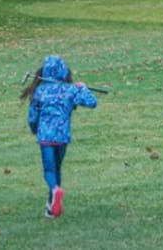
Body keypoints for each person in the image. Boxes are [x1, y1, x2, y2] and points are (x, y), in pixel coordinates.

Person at [20, 54, 98, 218]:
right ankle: (52, 207)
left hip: (46, 138)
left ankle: (55, 192)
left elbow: (33, 116)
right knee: (57, 169)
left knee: (49, 170)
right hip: (62, 137)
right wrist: (82, 88)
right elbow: (92, 102)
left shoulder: (40, 91)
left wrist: (34, 129)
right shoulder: (70, 90)